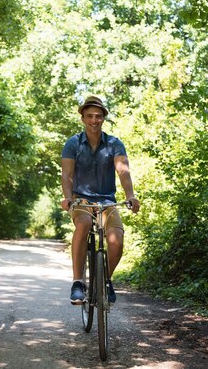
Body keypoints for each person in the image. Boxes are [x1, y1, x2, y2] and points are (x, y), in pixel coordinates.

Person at [60, 96, 140, 305]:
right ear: (83, 119)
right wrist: (68, 198)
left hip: (107, 201)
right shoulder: (73, 144)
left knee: (116, 239)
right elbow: (67, 175)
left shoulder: (114, 144)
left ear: (103, 118)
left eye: (98, 116)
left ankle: (105, 279)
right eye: (89, 116)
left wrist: (130, 196)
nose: (94, 120)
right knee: (84, 224)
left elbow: (123, 172)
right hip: (81, 200)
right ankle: (78, 282)